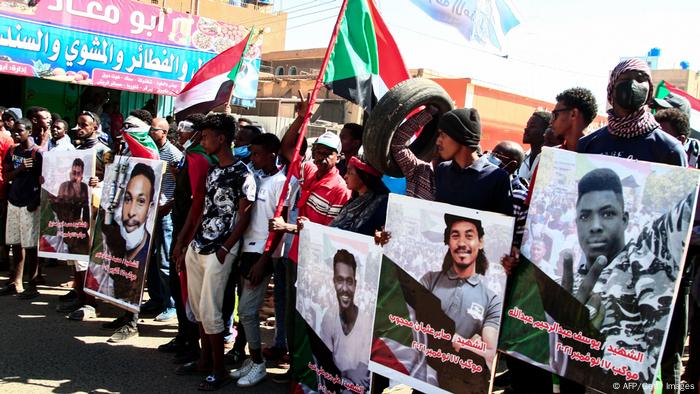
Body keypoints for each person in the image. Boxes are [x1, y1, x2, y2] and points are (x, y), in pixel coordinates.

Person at [577, 59, 687, 393]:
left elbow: (678, 215)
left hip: (643, 278)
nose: (635, 85)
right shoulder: (590, 145)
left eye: (642, 78)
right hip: (596, 274)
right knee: (591, 364)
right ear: (611, 87)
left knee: (630, 370)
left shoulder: (668, 149)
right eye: (628, 78)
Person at [177, 113, 256, 391]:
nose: (202, 140)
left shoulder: (243, 174)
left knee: (211, 309)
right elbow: (204, 210)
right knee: (198, 307)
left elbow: (244, 216)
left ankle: (218, 370)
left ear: (221, 139)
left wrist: (226, 247)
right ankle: (203, 360)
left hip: (221, 249)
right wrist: (188, 241)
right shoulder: (212, 170)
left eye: (207, 136)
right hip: (199, 244)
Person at [230, 133, 287, 387]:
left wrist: (264, 260)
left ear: (271, 155)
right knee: (245, 311)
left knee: (247, 312)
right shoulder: (258, 178)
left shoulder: (281, 183)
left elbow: (277, 227)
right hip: (246, 250)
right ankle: (252, 361)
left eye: (256, 153)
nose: (252, 158)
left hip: (260, 254)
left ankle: (259, 364)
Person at [420, 214, 501, 369]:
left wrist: (459, 343)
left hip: (458, 382)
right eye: (455, 236)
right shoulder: (429, 280)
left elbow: (490, 353)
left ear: (481, 242)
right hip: (422, 374)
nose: (462, 243)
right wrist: (466, 342)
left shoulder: (492, 300)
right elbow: (413, 323)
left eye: (469, 236)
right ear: (448, 242)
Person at [162, 113, 211, 364]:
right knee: (178, 286)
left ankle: (192, 343)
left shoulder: (198, 158)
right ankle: (183, 336)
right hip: (182, 227)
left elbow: (196, 202)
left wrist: (183, 240)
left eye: (185, 129)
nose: (179, 133)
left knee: (186, 289)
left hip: (188, 233)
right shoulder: (190, 155)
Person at [434, 108, 513, 215]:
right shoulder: (442, 170)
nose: (438, 141)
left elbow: (502, 226)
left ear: (461, 137)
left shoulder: (497, 178)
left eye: (443, 135)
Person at [144, 118, 183, 322]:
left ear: (164, 132)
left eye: (154, 129)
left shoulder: (174, 154)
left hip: (165, 213)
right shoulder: (150, 151)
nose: (150, 132)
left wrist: (167, 206)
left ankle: (171, 304)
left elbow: (181, 187)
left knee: (164, 261)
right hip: (149, 211)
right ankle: (156, 298)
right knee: (151, 259)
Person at [0, 118, 43, 299]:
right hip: (14, 201)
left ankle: (32, 285)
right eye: (14, 131)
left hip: (29, 203)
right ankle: (15, 282)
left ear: (29, 131)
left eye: (19, 131)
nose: (15, 134)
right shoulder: (12, 150)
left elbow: (44, 180)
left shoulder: (37, 153)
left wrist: (37, 200)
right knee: (16, 244)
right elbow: (7, 175)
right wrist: (20, 169)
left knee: (31, 245)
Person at [319, 249, 372, 389]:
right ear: (333, 282)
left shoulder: (366, 321)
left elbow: (362, 372)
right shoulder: (329, 318)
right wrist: (348, 373)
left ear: (355, 284)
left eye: (349, 281)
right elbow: (325, 365)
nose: (344, 288)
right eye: (339, 280)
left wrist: (345, 374)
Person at [329, 156, 389, 236]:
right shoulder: (352, 202)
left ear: (365, 176)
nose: (345, 176)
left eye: (350, 172)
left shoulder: (382, 206)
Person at [47, 158, 90, 255]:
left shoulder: (84, 187)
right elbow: (57, 207)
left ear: (82, 174)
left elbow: (86, 208)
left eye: (78, 173)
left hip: (78, 225)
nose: (75, 176)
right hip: (64, 225)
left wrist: (86, 224)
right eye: (74, 172)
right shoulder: (64, 185)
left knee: (80, 255)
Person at [489, 141, 527, 247]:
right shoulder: (483, 182)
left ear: (512, 165)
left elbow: (520, 237)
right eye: (491, 154)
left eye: (497, 156)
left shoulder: (520, 197)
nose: (490, 158)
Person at [550, 87, 598, 152]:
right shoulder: (551, 156)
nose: (551, 121)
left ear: (573, 114)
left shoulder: (599, 155)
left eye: (555, 115)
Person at [518, 111, 551, 182]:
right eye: (527, 125)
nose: (526, 129)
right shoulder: (521, 158)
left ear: (546, 132)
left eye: (532, 126)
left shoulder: (549, 162)